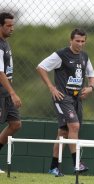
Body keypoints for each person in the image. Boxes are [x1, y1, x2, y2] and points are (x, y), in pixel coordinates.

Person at [36, 28, 94, 176]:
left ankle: (53, 167)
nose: (80, 44)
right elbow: (41, 67)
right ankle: (78, 164)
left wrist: (91, 87)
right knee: (74, 126)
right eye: (77, 41)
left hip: (76, 99)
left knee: (63, 132)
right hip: (62, 98)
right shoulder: (60, 55)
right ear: (70, 40)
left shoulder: (84, 56)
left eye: (83, 41)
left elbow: (92, 75)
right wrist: (52, 88)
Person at [0, 12, 22, 174]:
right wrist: (13, 93)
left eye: (13, 25)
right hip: (2, 92)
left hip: (6, 92)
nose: (12, 28)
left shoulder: (5, 43)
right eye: (8, 25)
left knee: (15, 124)